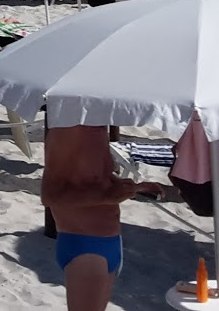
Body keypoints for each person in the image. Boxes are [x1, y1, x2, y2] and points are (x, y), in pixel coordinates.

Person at [41, 124, 160, 311]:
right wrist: (106, 197)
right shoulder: (68, 130)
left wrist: (134, 188)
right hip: (84, 246)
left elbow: (95, 178)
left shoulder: (98, 126)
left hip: (109, 243)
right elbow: (50, 196)